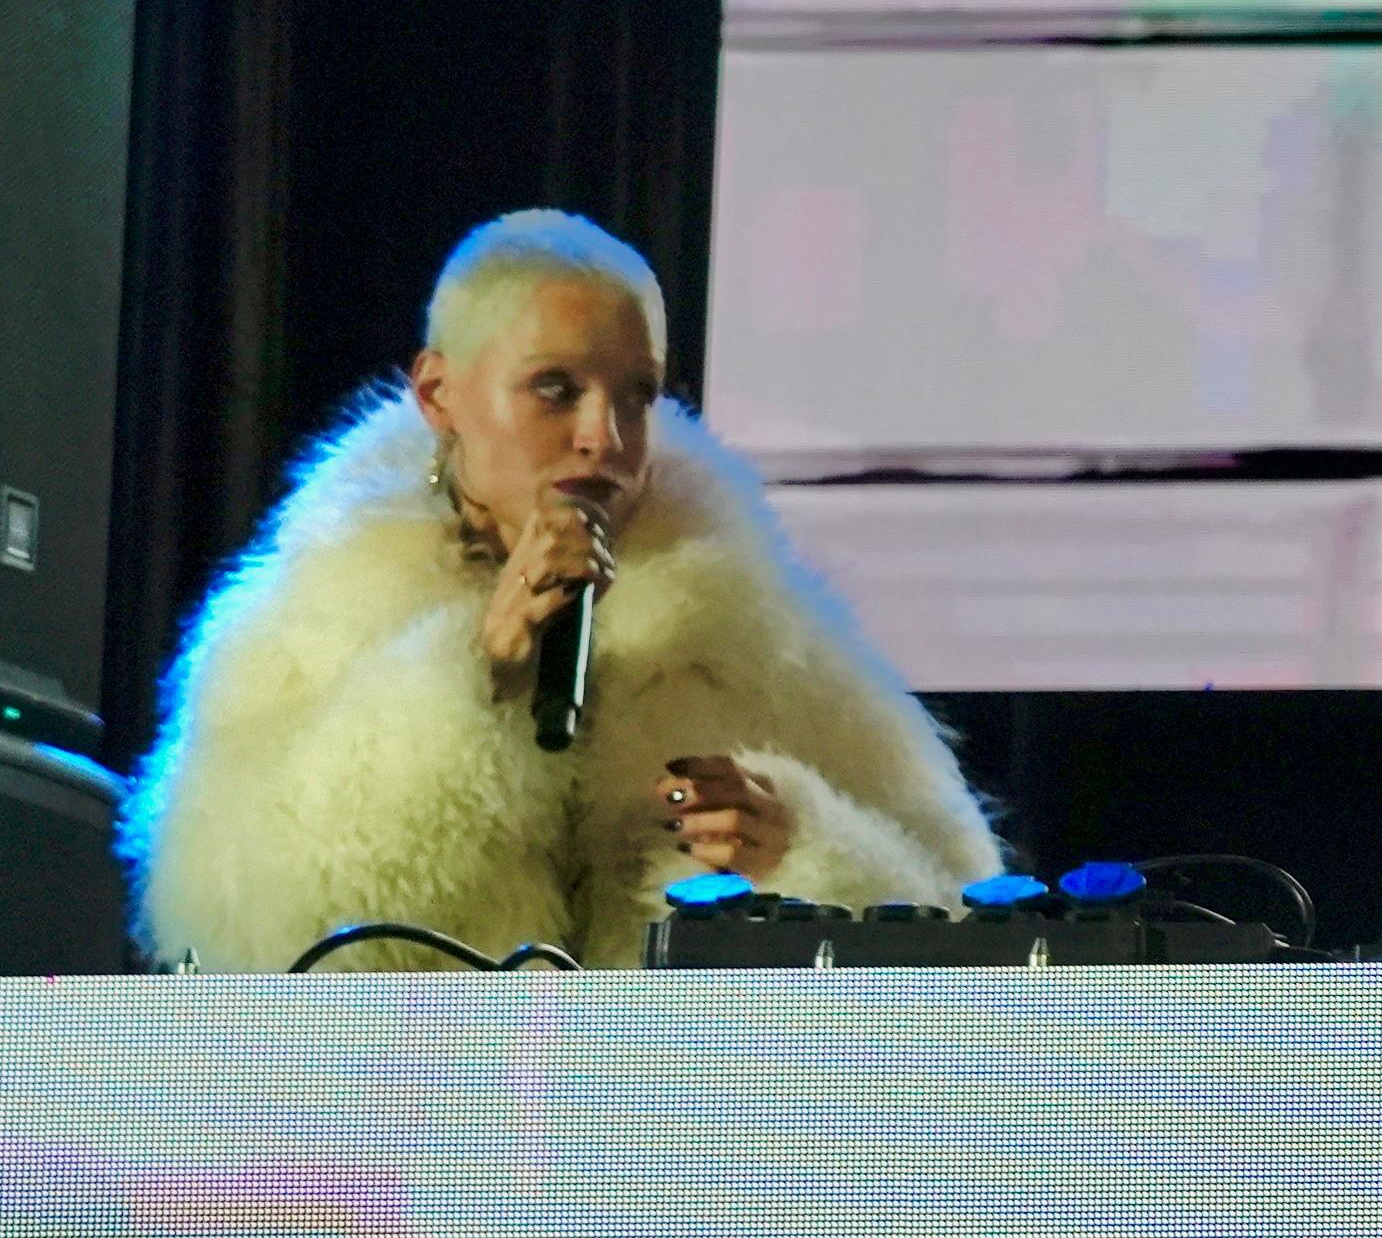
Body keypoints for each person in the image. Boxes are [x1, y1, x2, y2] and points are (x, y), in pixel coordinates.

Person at [127, 211, 1001, 971]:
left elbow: (969, 921)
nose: (604, 437)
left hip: (674, 1104)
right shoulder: (318, 602)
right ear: (438, 393)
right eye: (556, 389)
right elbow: (231, 922)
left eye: (637, 395)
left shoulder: (759, 623)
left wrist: (802, 847)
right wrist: (470, 676)